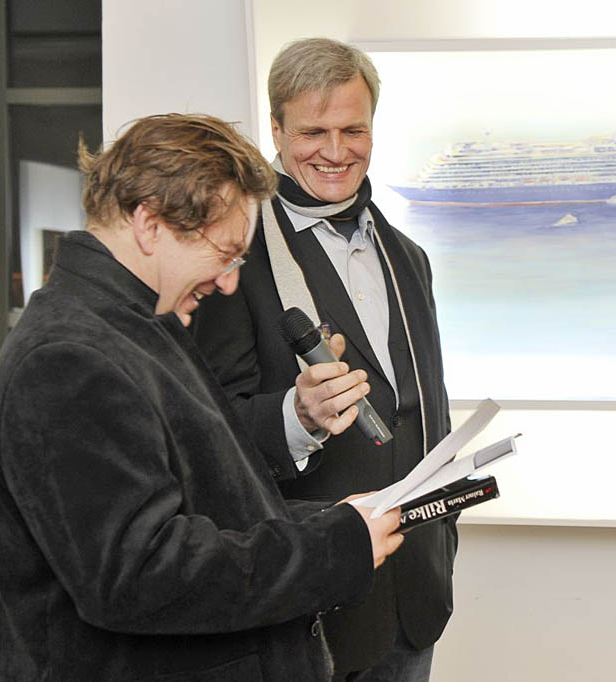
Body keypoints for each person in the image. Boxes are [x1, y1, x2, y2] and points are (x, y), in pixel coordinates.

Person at [0, 113, 405, 682]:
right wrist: (332, 550)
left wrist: (332, 520)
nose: (228, 282)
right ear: (150, 224)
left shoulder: (138, 327)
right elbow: (139, 575)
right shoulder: (67, 358)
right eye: (224, 253)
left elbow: (206, 502)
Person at [192, 38, 454, 681]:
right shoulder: (231, 260)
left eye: (352, 130)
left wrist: (444, 540)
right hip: (305, 601)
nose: (336, 152)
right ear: (276, 130)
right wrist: (297, 415)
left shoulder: (409, 255)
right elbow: (204, 436)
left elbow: (421, 408)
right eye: (313, 132)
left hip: (417, 594)